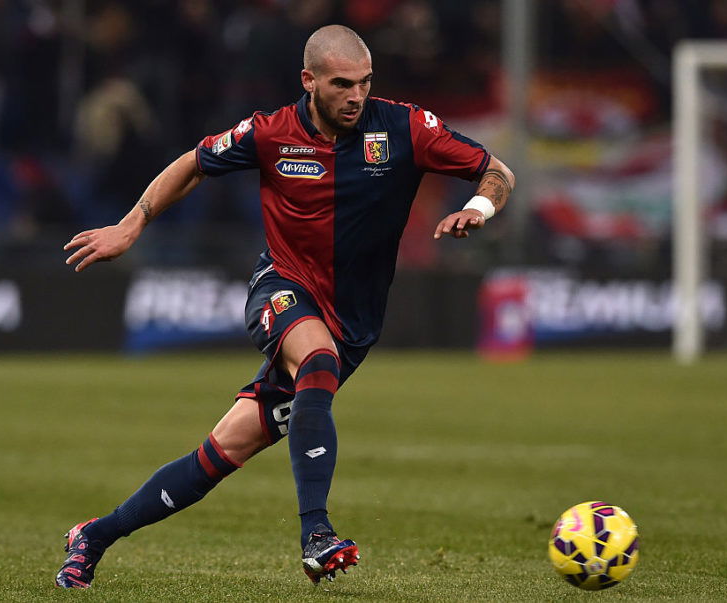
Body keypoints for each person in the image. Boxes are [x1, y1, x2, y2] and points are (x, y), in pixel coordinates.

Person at [56, 24, 515, 588]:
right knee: (316, 361)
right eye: (342, 84)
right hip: (282, 287)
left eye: (365, 83)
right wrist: (131, 227)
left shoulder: (404, 127)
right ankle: (317, 534)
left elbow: (498, 170)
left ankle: (93, 537)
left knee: (221, 452)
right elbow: (194, 162)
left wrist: (478, 209)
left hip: (353, 323)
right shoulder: (271, 132)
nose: (356, 96)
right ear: (310, 80)